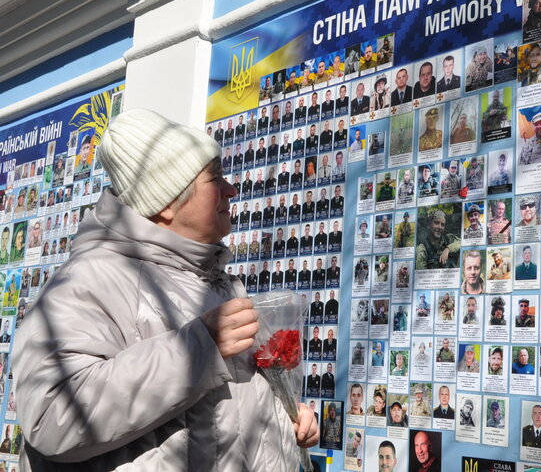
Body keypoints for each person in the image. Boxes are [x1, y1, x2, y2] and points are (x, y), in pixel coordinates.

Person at [13, 109, 320, 470]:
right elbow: (52, 416)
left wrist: (286, 422)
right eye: (215, 178)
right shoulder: (86, 282)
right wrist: (196, 351)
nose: (231, 189)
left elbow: (226, 420)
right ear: (167, 203)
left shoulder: (218, 282)